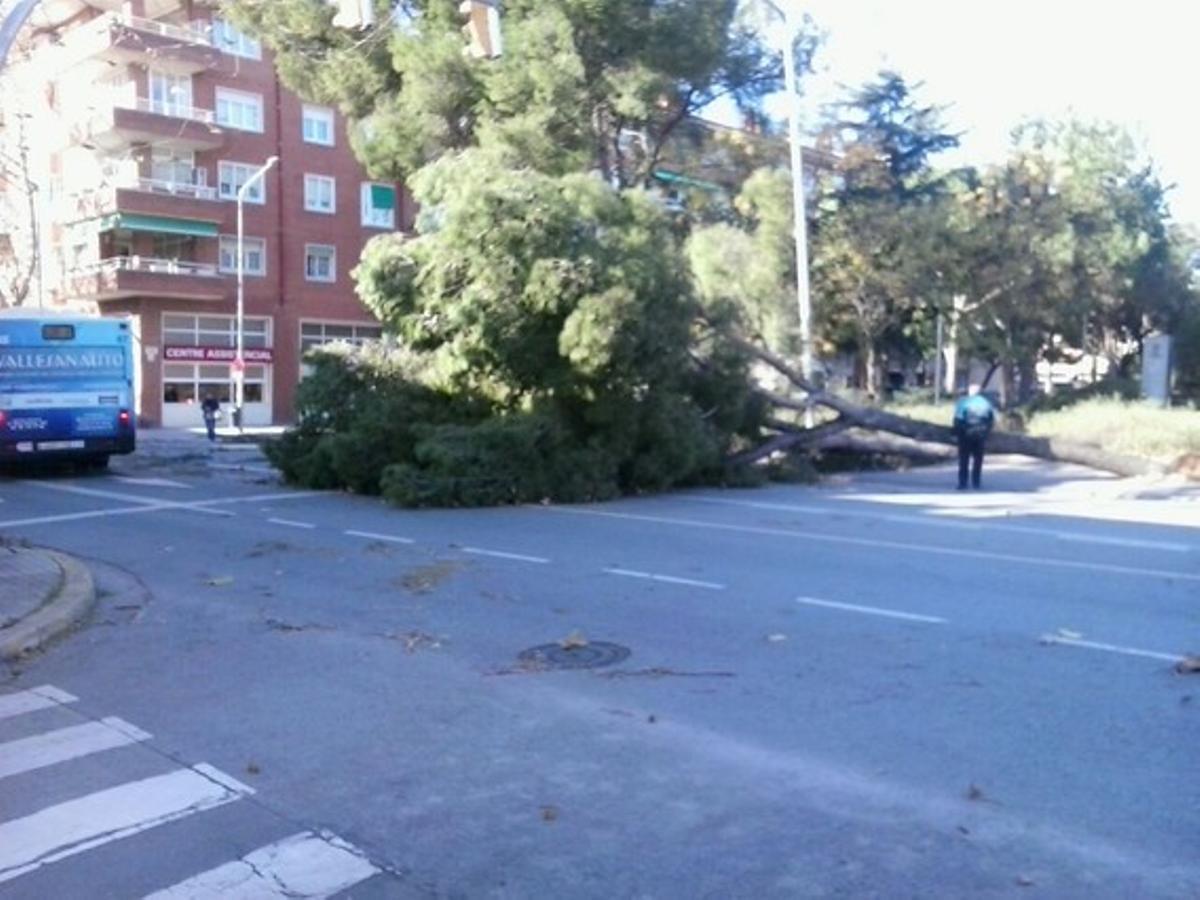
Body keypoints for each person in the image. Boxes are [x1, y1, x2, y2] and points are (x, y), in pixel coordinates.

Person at [952, 386, 995, 490]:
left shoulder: (963, 402)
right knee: (978, 459)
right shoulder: (986, 403)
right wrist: (987, 432)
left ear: (969, 392)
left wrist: (955, 433)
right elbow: (991, 419)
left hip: (966, 433)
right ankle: (976, 482)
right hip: (980, 434)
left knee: (964, 459)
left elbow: (958, 419)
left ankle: (963, 482)